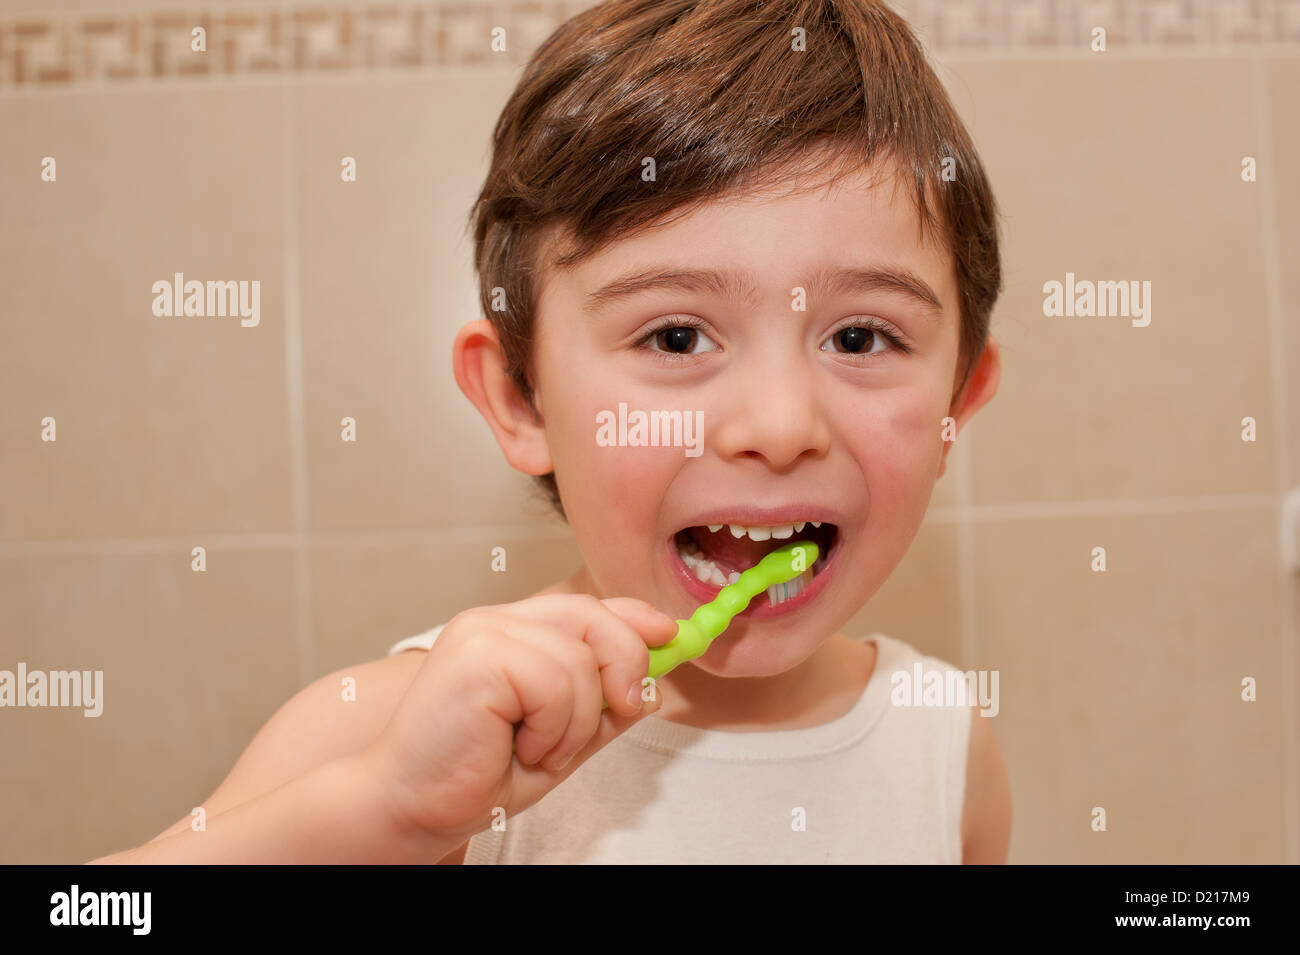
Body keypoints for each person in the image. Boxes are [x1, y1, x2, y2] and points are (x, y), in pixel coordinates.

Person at [93, 0, 1011, 865]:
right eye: (676, 335)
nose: (778, 426)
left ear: (955, 407)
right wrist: (387, 811)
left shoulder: (943, 745)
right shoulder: (386, 734)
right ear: (521, 400)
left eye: (860, 337)